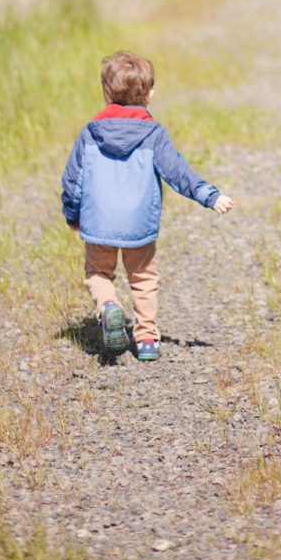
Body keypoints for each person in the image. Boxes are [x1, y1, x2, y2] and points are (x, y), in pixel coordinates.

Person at [60, 50, 232, 362]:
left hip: (98, 224)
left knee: (99, 272)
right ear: (149, 96)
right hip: (139, 225)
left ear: (105, 93)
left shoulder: (90, 133)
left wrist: (73, 216)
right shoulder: (154, 134)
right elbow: (178, 172)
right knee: (143, 279)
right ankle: (148, 339)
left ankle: (108, 306)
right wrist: (210, 195)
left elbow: (73, 180)